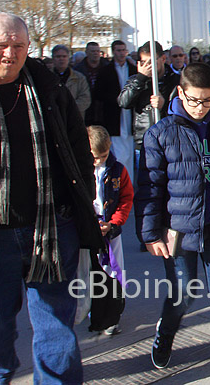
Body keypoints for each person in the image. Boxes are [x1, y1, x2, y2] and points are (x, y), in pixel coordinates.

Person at [0, 13, 103, 383]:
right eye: (1, 45)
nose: (10, 53)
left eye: (19, 46)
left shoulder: (47, 87)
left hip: (52, 226)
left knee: (56, 323)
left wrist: (83, 199)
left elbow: (77, 143)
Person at [134, 62, 210, 384]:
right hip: (178, 232)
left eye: (208, 100)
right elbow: (149, 189)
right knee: (182, 295)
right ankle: (165, 332)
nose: (201, 108)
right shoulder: (160, 134)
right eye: (194, 100)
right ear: (180, 93)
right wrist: (150, 234)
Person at [87, 125, 134, 335]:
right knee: (91, 272)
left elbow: (126, 198)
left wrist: (115, 223)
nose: (98, 161)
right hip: (89, 229)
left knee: (114, 271)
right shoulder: (82, 168)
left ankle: (114, 313)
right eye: (95, 157)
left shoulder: (118, 170)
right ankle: (94, 311)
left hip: (111, 229)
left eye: (103, 156)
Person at [118, 40, 180, 160]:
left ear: (162, 58)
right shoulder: (136, 81)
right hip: (145, 140)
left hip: (172, 138)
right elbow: (124, 102)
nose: (148, 66)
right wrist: (141, 78)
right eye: (143, 62)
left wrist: (165, 105)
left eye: (152, 61)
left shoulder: (176, 80)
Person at [94, 40, 138, 182]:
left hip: (130, 119)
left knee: (130, 157)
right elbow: (99, 93)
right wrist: (116, 98)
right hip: (114, 119)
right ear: (113, 52)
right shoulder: (105, 71)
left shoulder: (133, 69)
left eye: (123, 50)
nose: (121, 53)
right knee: (118, 156)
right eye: (118, 50)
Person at [73, 41, 110, 124]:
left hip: (103, 109)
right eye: (93, 51)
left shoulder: (108, 67)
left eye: (97, 51)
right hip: (86, 110)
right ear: (87, 53)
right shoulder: (78, 70)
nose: (96, 53)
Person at [51, 44, 91, 117]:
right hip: (54, 117)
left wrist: (68, 108)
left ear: (68, 58)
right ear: (53, 58)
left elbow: (85, 99)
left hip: (75, 117)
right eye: (58, 56)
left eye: (64, 56)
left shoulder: (79, 78)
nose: (61, 59)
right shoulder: (47, 77)